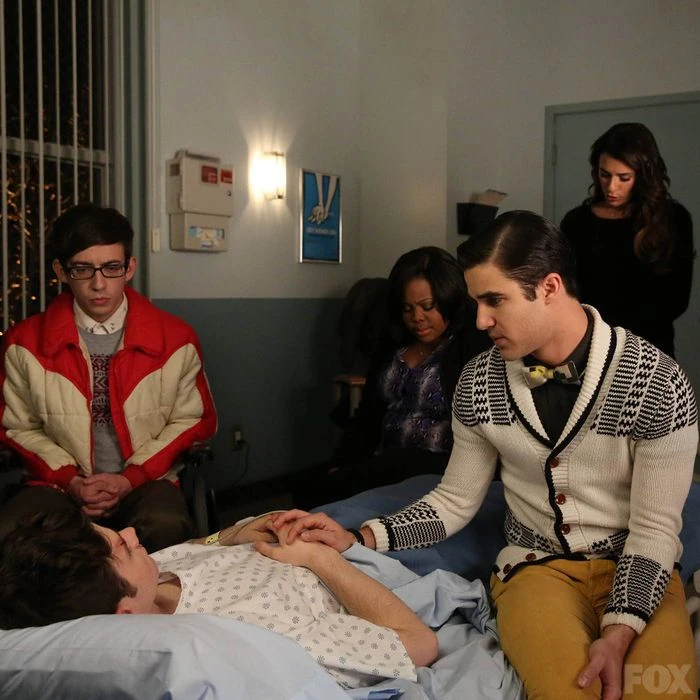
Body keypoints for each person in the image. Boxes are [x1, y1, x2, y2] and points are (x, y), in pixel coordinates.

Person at [275, 211, 698, 699]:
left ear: (549, 287)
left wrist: (620, 630)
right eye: (476, 302)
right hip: (536, 568)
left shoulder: (656, 381)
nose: (479, 321)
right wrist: (359, 537)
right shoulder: (480, 381)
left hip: (638, 568)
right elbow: (454, 501)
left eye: (494, 300)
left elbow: (654, 531)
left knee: (663, 693)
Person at [0, 507, 438, 691]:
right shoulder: (250, 637)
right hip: (353, 567)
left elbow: (194, 546)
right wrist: (322, 559)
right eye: (123, 547)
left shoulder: (146, 579)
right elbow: (417, 643)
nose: (132, 532)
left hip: (307, 534)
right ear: (124, 615)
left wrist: (233, 534)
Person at [0, 204, 217, 552]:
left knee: (166, 524)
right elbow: (17, 427)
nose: (98, 284)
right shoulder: (23, 342)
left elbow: (192, 420)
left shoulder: (177, 338)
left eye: (112, 268)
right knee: (12, 532)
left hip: (147, 482)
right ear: (61, 271)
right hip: (57, 484)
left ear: (129, 268)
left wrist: (130, 478)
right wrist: (71, 481)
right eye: (82, 269)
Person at [293, 246, 489, 509]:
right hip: (384, 460)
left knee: (397, 463)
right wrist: (342, 462)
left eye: (427, 306)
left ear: (449, 301)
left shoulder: (471, 347)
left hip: (441, 464)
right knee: (309, 483)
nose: (417, 318)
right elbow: (368, 416)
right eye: (407, 309)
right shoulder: (393, 346)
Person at [560, 122, 694, 358]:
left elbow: (676, 299)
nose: (611, 187)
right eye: (604, 175)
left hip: (649, 348)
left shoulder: (673, 219)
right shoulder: (576, 222)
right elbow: (567, 292)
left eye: (624, 177)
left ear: (643, 176)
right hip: (589, 347)